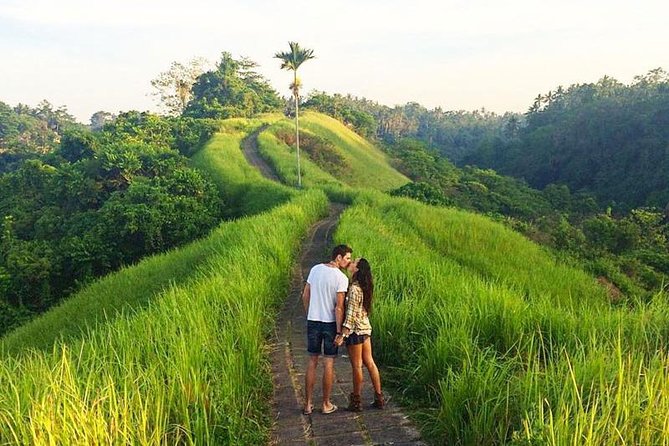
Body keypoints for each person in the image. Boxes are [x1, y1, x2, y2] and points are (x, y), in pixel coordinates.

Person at [302, 244, 352, 415]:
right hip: (330, 324)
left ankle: (308, 405)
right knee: (328, 362)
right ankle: (325, 404)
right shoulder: (341, 278)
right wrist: (339, 332)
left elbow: (305, 295)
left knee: (312, 361)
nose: (348, 262)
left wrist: (310, 313)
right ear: (338, 257)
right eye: (347, 258)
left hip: (313, 321)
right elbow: (339, 308)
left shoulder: (315, 269)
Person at [335, 258, 385, 411]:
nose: (350, 264)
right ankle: (379, 397)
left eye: (353, 263)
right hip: (365, 329)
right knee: (370, 363)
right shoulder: (364, 286)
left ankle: (356, 400)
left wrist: (342, 334)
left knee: (357, 365)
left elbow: (350, 315)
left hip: (356, 331)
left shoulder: (355, 289)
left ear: (357, 269)